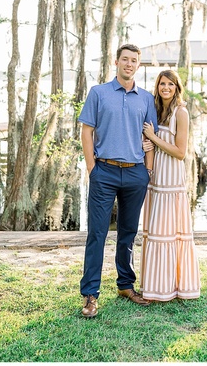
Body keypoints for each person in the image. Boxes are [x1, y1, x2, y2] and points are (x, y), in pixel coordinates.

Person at [78, 44, 158, 318]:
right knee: (97, 234)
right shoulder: (99, 93)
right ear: (116, 62)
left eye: (134, 61)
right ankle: (90, 294)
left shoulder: (146, 98)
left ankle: (126, 285)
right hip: (105, 171)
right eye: (125, 59)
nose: (129, 64)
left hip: (135, 173)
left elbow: (150, 140)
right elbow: (86, 132)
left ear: (138, 65)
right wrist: (92, 169)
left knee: (127, 233)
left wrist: (146, 172)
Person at [140, 69, 201, 301]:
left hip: (171, 181)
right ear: (157, 87)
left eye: (170, 84)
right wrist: (147, 145)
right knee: (155, 232)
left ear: (177, 87)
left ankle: (170, 288)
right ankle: (154, 286)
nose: (165, 88)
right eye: (162, 84)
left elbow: (180, 152)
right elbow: (150, 142)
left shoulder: (180, 112)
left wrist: (153, 138)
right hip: (155, 178)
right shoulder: (157, 110)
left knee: (168, 233)